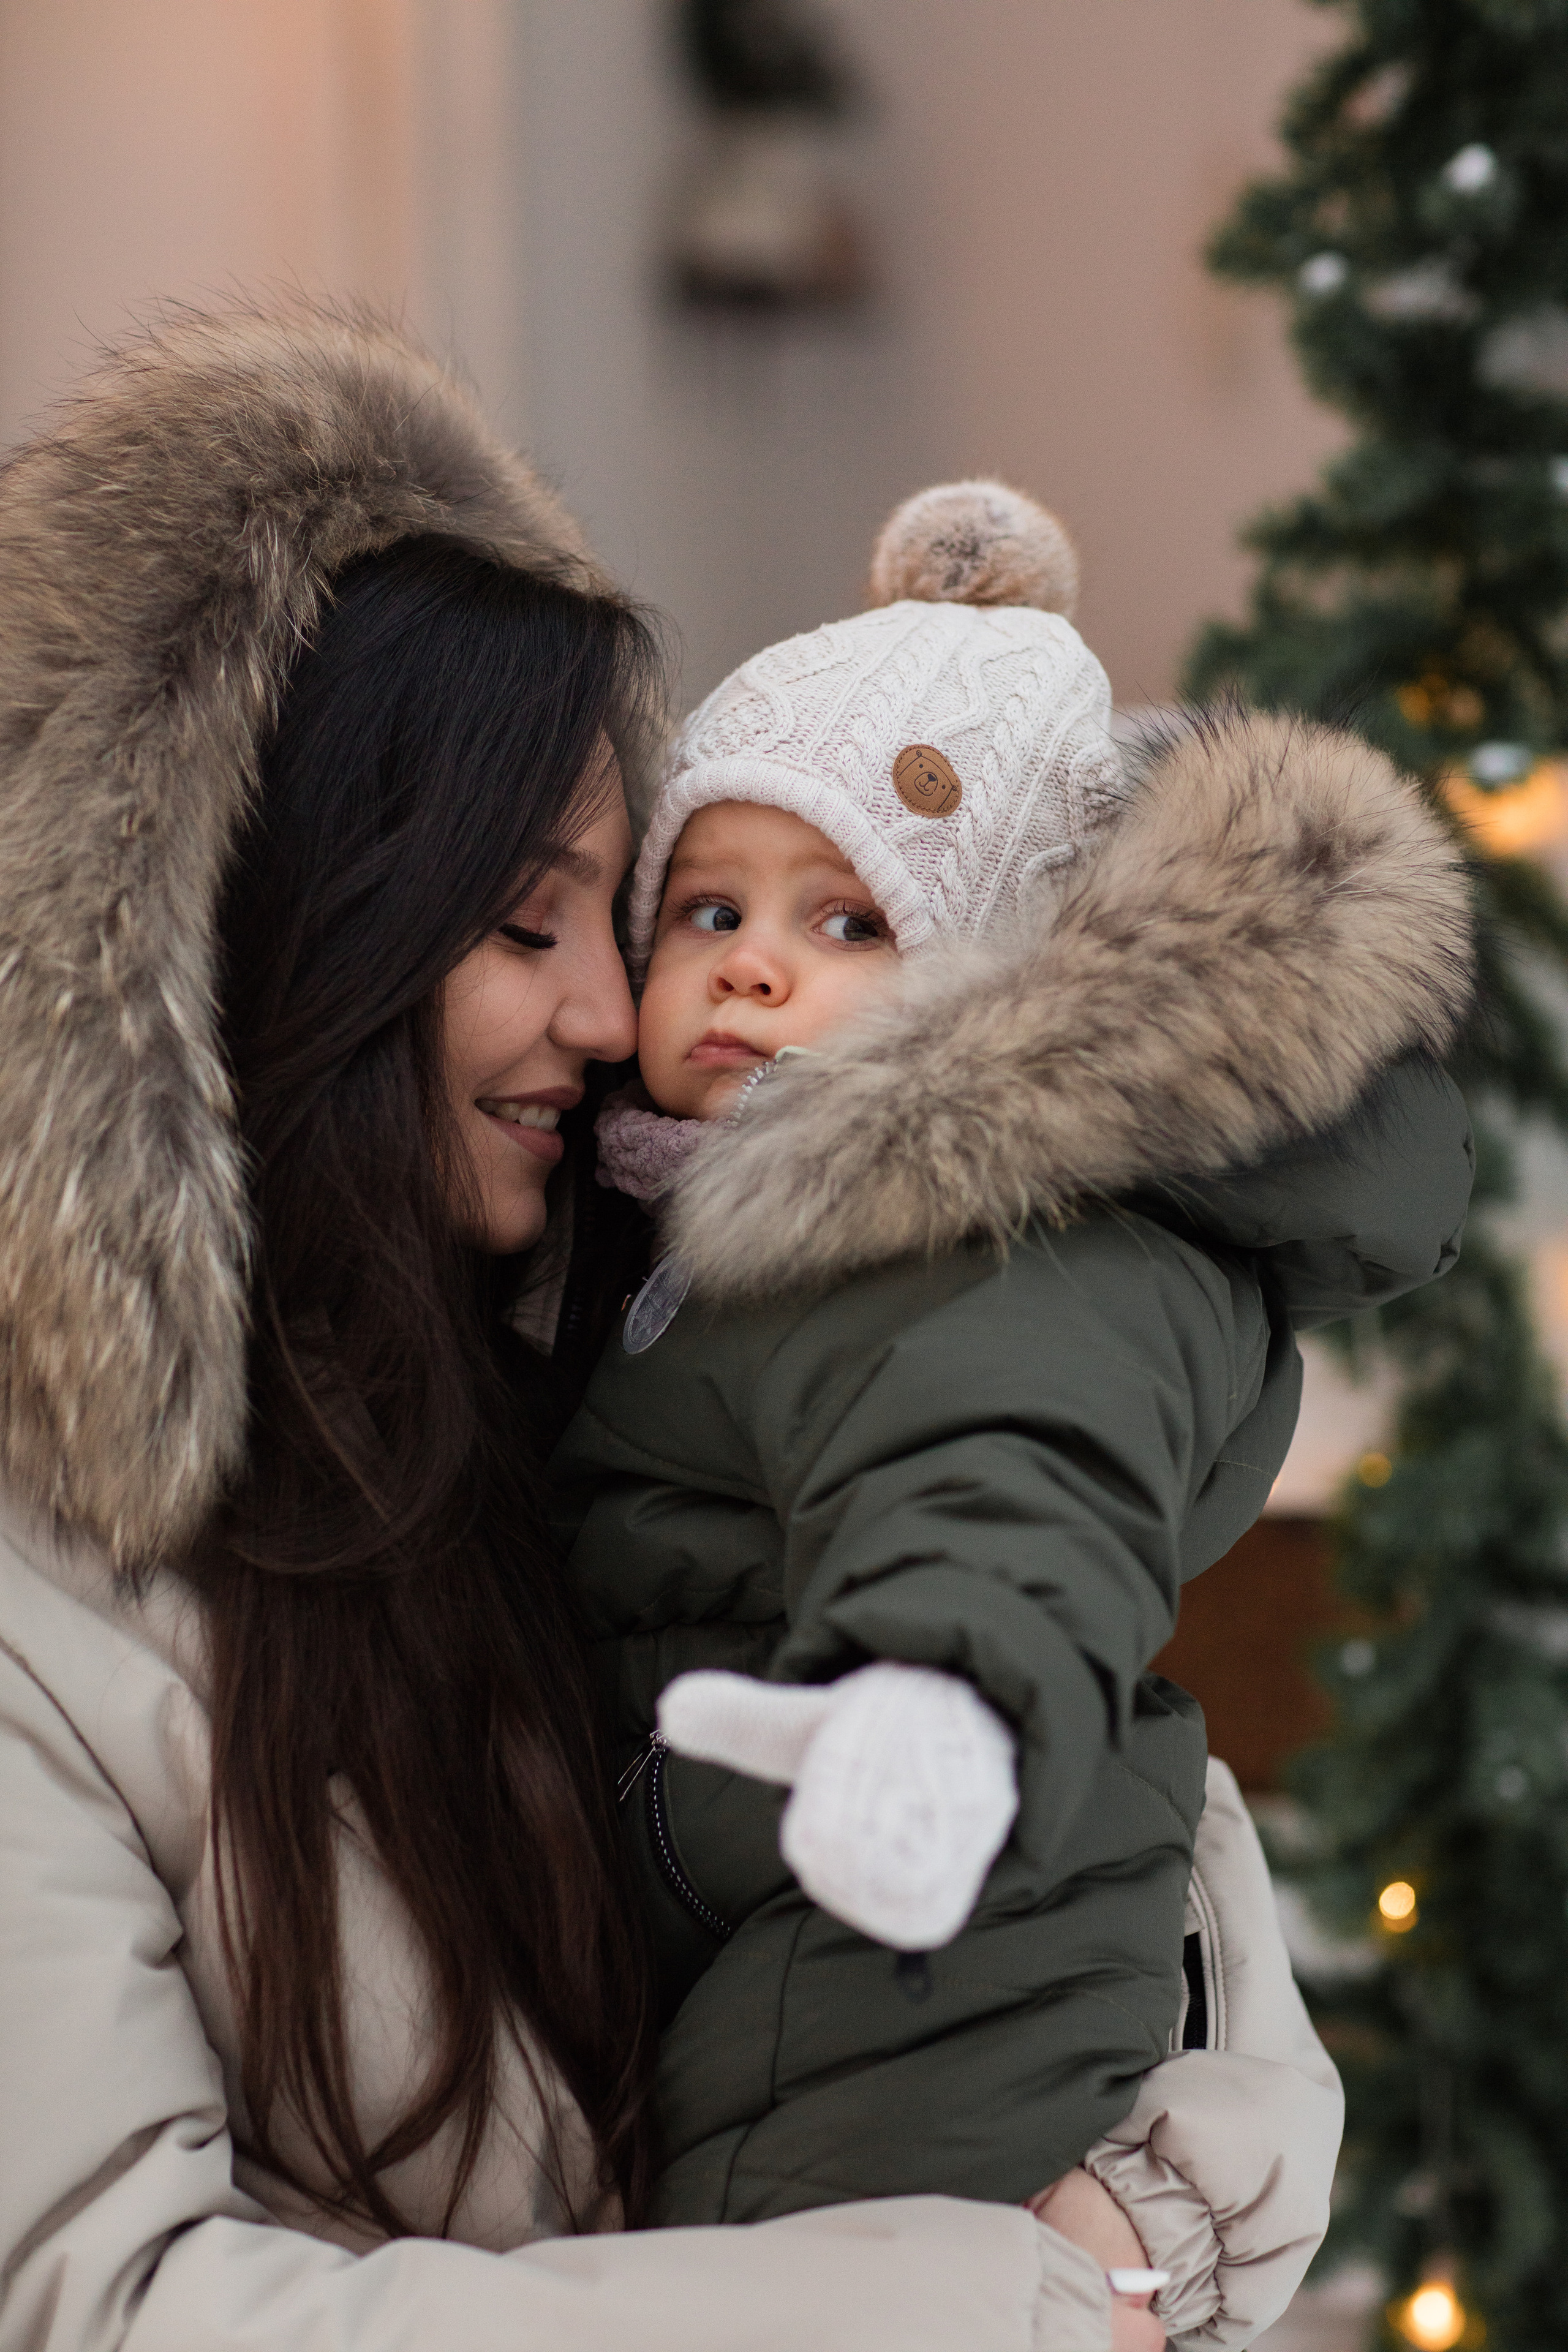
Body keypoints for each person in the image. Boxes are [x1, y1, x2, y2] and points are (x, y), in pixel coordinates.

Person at [0, 309, 1155, 2352]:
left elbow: (1157, 1833)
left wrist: (1153, 2224)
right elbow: (107, 2302)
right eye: (529, 927)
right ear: (282, 938)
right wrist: (991, 2300)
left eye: (621, 926)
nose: (621, 1020)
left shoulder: (580, 1392)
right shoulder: (47, 1600)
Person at [548, 481, 1477, 2340]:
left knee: (798, 2261)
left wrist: (936, 1704)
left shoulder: (971, 1244)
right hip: (787, 1868)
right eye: (710, 906)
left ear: (987, 994)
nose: (750, 962)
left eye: (848, 923)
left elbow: (1009, 1478)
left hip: (939, 1898)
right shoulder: (683, 1219)